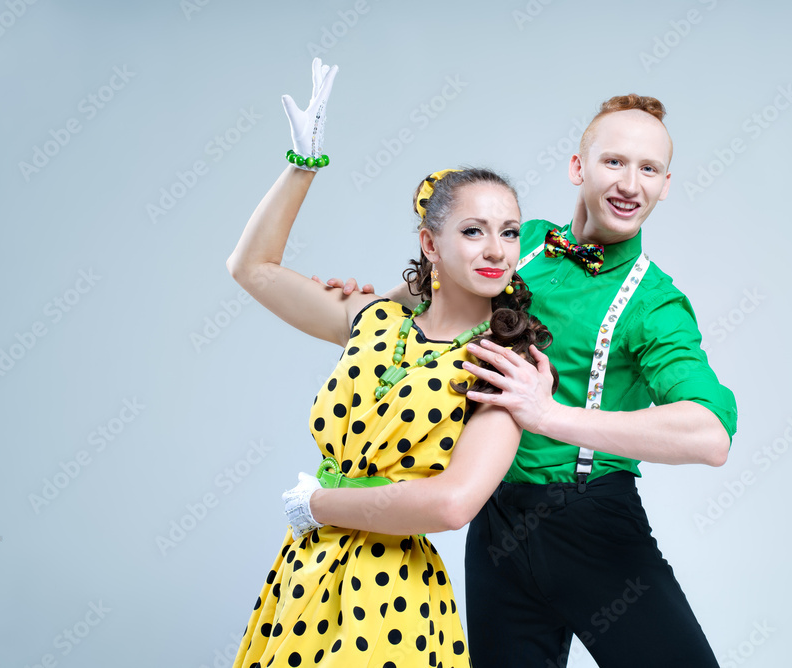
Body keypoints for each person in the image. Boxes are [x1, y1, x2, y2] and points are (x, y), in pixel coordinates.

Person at [323, 94, 738, 666]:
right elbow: (417, 305)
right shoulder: (518, 245)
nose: (630, 183)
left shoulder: (654, 302)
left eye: (649, 169)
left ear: (666, 184)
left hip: (592, 526)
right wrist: (367, 301)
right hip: (496, 528)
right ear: (578, 168)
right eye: (614, 162)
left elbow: (710, 435)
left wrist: (549, 416)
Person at [225, 58, 556, 668]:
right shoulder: (375, 320)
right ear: (430, 243)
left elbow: (453, 504)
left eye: (509, 233)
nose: (496, 250)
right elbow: (253, 270)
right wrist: (303, 166)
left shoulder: (507, 363)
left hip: (390, 597)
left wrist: (317, 505)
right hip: (302, 577)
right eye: (474, 231)